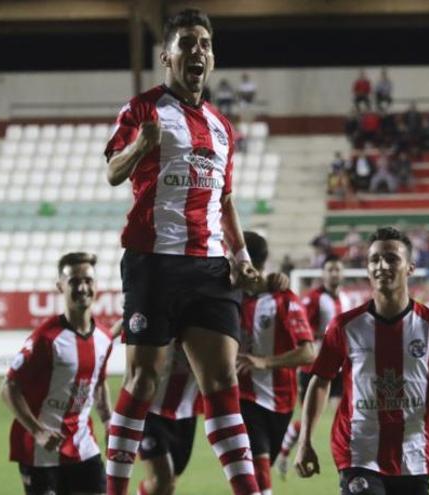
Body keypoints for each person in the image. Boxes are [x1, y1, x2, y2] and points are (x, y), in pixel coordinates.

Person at [103, 9, 261, 495]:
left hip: (210, 265)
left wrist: (242, 258)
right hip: (155, 259)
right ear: (167, 54)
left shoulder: (221, 127)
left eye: (206, 45)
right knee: (144, 380)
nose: (199, 52)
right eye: (188, 43)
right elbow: (113, 170)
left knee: (221, 383)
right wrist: (139, 148)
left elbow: (226, 200)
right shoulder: (143, 110)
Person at [294, 226, 429, 495]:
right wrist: (305, 441)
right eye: (375, 259)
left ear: (410, 268)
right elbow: (320, 382)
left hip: (413, 456)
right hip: (358, 452)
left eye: (392, 258)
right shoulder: (345, 326)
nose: (382, 266)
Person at [1, 252, 113, 495]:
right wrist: (38, 431)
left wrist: (108, 421)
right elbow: (9, 387)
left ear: (96, 285)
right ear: (60, 286)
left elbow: (99, 384)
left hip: (83, 445)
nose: (83, 288)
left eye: (88, 281)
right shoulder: (46, 338)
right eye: (74, 281)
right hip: (41, 451)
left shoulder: (104, 338)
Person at [236, 231, 315, 495]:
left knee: (259, 474)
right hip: (245, 397)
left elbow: (307, 354)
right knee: (257, 471)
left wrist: (264, 362)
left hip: (281, 400)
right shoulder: (230, 297)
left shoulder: (284, 299)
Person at [275, 254, 350, 479]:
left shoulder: (345, 298)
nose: (335, 273)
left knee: (343, 413)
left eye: (338, 269)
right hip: (315, 368)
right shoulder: (313, 299)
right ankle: (284, 452)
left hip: (339, 366)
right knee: (310, 418)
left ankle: (348, 461)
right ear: (323, 273)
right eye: (330, 270)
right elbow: (299, 327)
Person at [136, 342, 200, 495]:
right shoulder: (161, 320)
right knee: (162, 478)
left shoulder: (208, 325)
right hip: (151, 411)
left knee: (168, 485)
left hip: (186, 413)